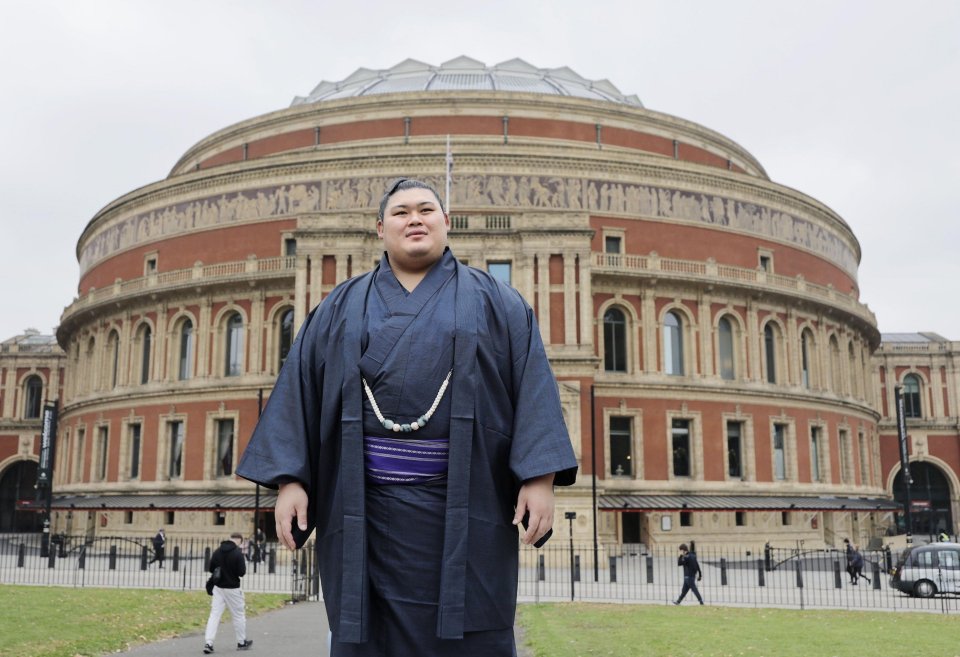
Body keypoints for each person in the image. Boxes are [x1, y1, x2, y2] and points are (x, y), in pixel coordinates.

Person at [237, 178, 578, 656]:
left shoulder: (499, 303)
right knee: (366, 628)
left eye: (425, 210)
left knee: (472, 626)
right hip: (363, 507)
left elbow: (534, 389)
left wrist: (539, 477)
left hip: (465, 501)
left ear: (446, 224)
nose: (414, 219)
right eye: (400, 213)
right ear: (380, 229)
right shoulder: (338, 307)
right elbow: (301, 391)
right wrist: (292, 481)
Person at [203, 532, 254, 653]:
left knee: (214, 615)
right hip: (232, 588)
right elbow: (241, 572)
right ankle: (241, 642)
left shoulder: (217, 551)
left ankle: (208, 643)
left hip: (218, 588)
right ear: (240, 541)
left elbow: (211, 568)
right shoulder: (237, 553)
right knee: (238, 615)